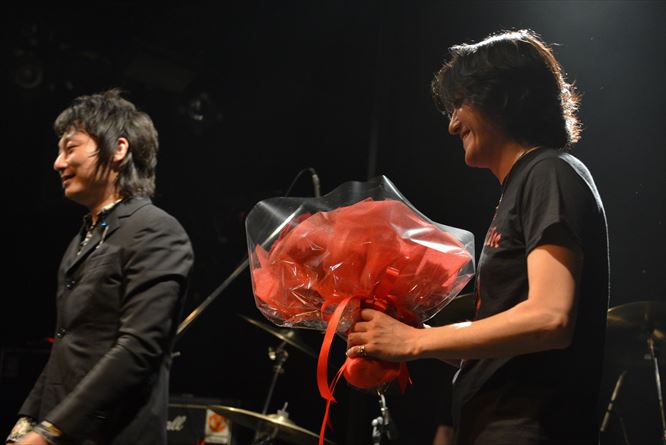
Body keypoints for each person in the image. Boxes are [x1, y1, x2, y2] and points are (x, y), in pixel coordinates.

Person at [347, 30, 609, 444]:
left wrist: (416, 340)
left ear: (502, 98)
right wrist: (403, 331)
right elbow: (506, 345)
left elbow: (550, 318)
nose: (452, 125)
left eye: (459, 105)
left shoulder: (550, 172)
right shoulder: (524, 185)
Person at [6, 90, 194, 445]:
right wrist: (26, 421)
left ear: (118, 149)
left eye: (70, 148)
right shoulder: (80, 241)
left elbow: (137, 349)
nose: (58, 163)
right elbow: (66, 347)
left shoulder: (157, 230)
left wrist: (49, 432)